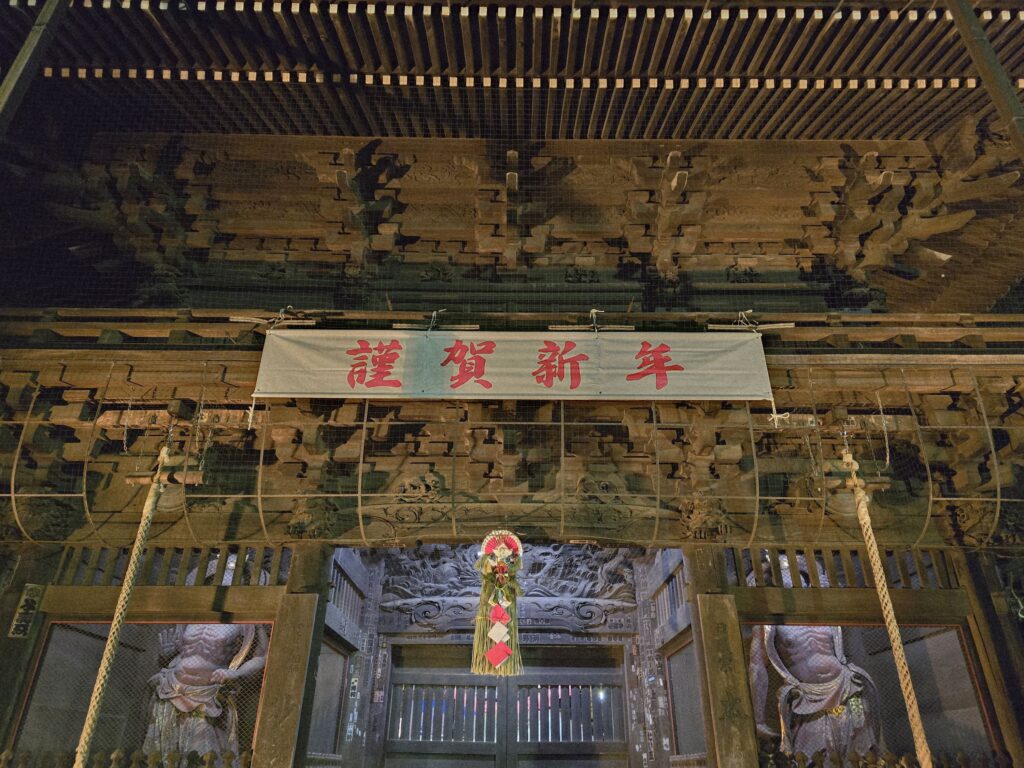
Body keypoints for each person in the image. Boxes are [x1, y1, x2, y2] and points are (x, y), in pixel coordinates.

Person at [749, 623, 881, 757]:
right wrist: (758, 720)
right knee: (813, 757)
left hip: (848, 689)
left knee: (863, 753)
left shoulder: (824, 613)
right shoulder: (767, 621)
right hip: (806, 700)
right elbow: (757, 665)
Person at [143, 623, 269, 759]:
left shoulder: (244, 622)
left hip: (209, 694)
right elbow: (181, 650)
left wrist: (236, 673)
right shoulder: (192, 617)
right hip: (172, 687)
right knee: (162, 751)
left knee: (202, 753)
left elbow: (263, 655)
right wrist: (167, 654)